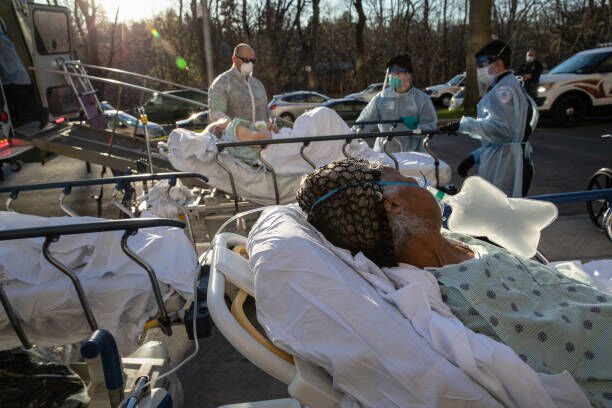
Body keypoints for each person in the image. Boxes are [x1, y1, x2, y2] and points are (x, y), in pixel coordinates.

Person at [295, 158, 610, 407]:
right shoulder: (467, 297)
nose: (427, 186)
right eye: (412, 181)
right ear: (393, 204)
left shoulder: (453, 240)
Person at [441, 40, 535, 197]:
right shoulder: (505, 86)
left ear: (498, 63)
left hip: (505, 165)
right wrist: (476, 156)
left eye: (481, 64)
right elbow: (504, 136)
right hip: (505, 160)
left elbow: (504, 131)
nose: (479, 69)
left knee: (499, 214)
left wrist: (464, 125)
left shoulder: (504, 91)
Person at [353, 54, 437, 153]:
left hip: (413, 157)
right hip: (384, 154)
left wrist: (415, 128)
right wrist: (351, 136)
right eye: (391, 74)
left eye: (397, 74)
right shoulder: (381, 98)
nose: (392, 77)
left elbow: (430, 130)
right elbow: (363, 122)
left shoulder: (421, 99)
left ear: (407, 75)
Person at [208, 43, 272, 128]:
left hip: (262, 138)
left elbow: (267, 113)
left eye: (252, 61)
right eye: (245, 60)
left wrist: (272, 124)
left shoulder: (258, 85)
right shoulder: (222, 83)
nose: (249, 64)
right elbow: (216, 114)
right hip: (235, 139)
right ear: (234, 59)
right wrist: (237, 130)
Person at [204, 116, 271, 166]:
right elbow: (263, 139)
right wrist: (262, 126)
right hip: (271, 153)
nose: (225, 118)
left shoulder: (228, 144)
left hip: (264, 159)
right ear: (219, 128)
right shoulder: (232, 129)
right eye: (221, 120)